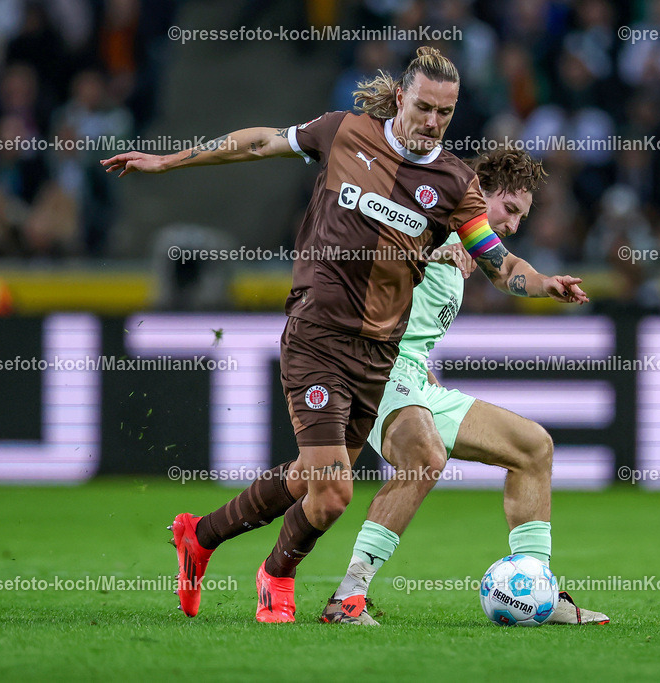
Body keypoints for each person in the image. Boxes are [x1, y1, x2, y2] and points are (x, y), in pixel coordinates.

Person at [101, 46, 588, 623]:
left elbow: (501, 265)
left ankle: (200, 536)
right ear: (401, 97)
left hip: (379, 358)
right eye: (424, 107)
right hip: (317, 334)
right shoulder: (344, 133)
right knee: (346, 484)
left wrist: (544, 283)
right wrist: (169, 162)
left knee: (316, 482)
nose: (433, 121)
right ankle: (293, 582)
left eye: (445, 113)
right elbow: (259, 143)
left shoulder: (455, 187)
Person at [319, 147, 608, 625]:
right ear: (480, 192)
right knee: (423, 457)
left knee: (533, 447)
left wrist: (547, 284)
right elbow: (370, 251)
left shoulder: (472, 238)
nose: (513, 224)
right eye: (509, 209)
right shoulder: (425, 213)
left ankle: (537, 586)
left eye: (522, 216)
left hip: (413, 377)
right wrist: (432, 250)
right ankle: (347, 597)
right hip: (372, 367)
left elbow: (509, 271)